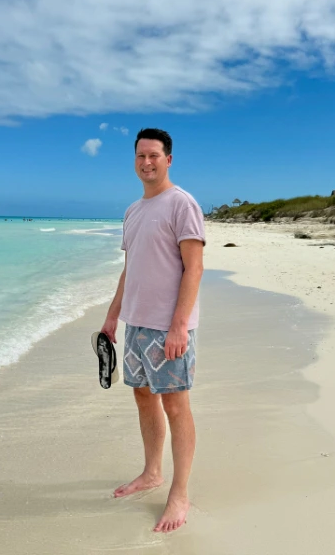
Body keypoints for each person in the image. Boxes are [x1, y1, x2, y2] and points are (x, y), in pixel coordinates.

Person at [100, 127, 205, 533]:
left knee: (176, 406)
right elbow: (131, 269)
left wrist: (179, 326)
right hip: (136, 325)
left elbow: (193, 267)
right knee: (143, 397)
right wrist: (113, 316)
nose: (147, 162)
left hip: (168, 329)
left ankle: (179, 493)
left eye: (154, 156)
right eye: (141, 156)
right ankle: (151, 472)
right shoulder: (132, 211)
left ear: (168, 160)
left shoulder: (182, 204)